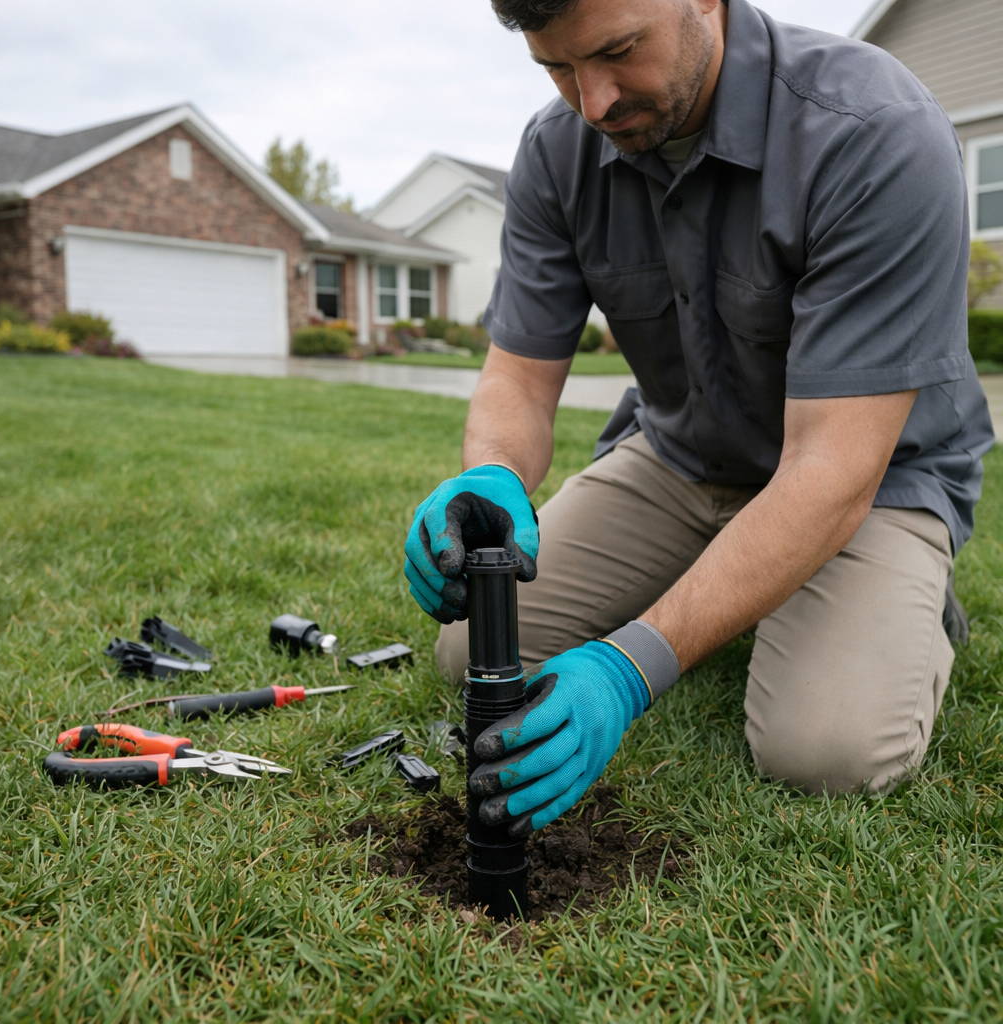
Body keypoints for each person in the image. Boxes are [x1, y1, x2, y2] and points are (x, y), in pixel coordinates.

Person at [404, 0, 995, 838]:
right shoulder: (555, 149)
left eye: (617, 51)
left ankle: (913, 596)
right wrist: (492, 472)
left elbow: (831, 468)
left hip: (870, 476)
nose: (594, 101)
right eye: (558, 69)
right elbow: (520, 382)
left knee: (824, 750)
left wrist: (626, 668)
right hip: (680, 456)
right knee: (474, 652)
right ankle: (742, 584)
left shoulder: (872, 131)